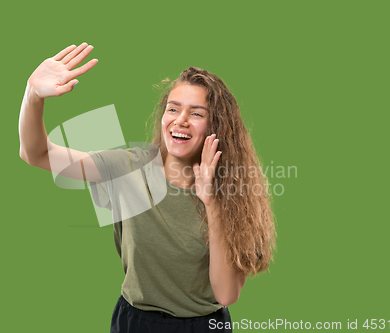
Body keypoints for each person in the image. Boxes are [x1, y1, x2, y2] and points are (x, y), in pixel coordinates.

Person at [18, 42, 277, 333]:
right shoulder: (129, 168)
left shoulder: (233, 191)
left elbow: (226, 295)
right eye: (173, 109)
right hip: (136, 322)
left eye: (196, 113)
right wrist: (33, 94)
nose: (180, 120)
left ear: (216, 126)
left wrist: (212, 202)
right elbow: (37, 154)